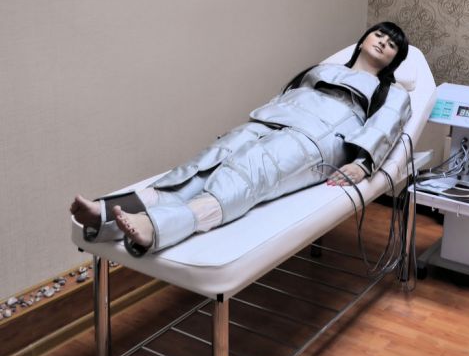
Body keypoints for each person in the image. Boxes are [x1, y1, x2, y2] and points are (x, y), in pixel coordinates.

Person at [70, 21, 411, 257]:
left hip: (317, 140)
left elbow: (385, 129)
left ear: (394, 59)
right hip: (271, 120)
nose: (383, 41)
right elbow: (286, 96)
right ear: (363, 39)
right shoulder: (322, 69)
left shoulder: (392, 93)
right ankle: (108, 215)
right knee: (205, 163)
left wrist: (363, 163)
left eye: (392, 44)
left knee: (249, 172)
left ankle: (157, 226)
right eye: (379, 34)